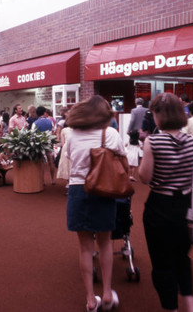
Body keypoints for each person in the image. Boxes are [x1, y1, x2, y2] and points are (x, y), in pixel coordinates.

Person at [138, 92, 193, 312]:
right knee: (182, 257)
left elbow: (145, 177)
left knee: (162, 262)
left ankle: (171, 308)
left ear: (159, 115)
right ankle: (192, 306)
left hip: (160, 207)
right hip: (185, 206)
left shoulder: (153, 141)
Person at [65, 95, 123, 312]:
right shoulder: (111, 134)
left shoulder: (72, 135)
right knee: (106, 243)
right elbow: (122, 156)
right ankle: (107, 294)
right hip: (104, 189)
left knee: (85, 247)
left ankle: (91, 299)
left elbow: (70, 157)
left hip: (78, 189)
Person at [32, 106, 56, 184]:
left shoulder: (35, 123)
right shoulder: (50, 121)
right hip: (48, 142)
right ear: (44, 112)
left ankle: (42, 181)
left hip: (39, 144)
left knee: (41, 162)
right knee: (50, 161)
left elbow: (32, 134)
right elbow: (53, 131)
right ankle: (52, 180)